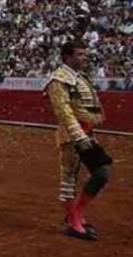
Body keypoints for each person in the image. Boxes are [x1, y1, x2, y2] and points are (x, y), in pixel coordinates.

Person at [45, 40, 112, 241]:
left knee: (102, 172)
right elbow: (63, 111)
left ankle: (77, 212)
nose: (84, 58)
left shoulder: (79, 77)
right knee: (69, 180)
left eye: (84, 54)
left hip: (87, 133)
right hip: (72, 136)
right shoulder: (58, 80)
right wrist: (79, 136)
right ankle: (74, 222)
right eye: (79, 54)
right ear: (67, 57)